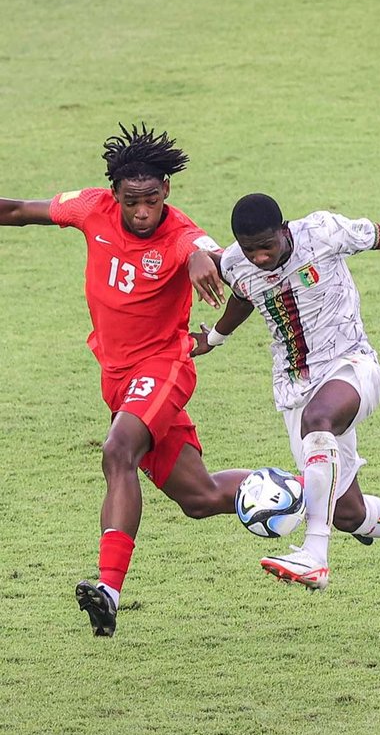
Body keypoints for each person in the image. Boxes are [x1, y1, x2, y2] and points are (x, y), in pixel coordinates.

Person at [0, 122, 250, 637]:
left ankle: (109, 590)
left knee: (118, 452)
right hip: (116, 377)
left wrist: (209, 275)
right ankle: (308, 490)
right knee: (199, 498)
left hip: (164, 367)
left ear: (167, 193)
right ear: (114, 194)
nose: (142, 212)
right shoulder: (90, 208)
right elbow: (18, 212)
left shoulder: (180, 233)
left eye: (152, 200)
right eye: (132, 201)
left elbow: (208, 252)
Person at [190, 193, 380, 591]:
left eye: (267, 247)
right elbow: (244, 296)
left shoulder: (322, 232)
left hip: (352, 365)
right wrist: (216, 337)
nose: (258, 257)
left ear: (284, 231)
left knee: (319, 420)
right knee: (349, 515)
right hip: (295, 387)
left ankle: (314, 556)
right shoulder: (237, 263)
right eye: (249, 249)